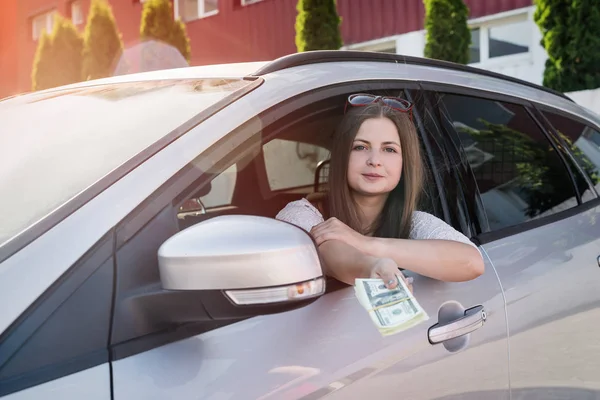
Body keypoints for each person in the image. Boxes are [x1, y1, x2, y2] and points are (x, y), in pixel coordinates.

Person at [276, 93, 485, 290]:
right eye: (360, 147)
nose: (374, 161)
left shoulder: (413, 223)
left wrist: (365, 243)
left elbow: (472, 263)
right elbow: (329, 252)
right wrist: (371, 268)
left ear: (404, 164)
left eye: (389, 149)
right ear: (341, 156)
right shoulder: (303, 213)